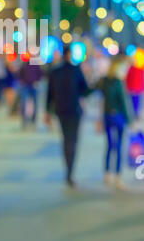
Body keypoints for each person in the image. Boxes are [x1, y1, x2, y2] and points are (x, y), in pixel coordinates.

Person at [46, 46, 89, 188]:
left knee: (66, 139)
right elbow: (85, 90)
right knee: (73, 140)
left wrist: (47, 111)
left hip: (61, 111)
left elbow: (49, 93)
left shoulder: (55, 71)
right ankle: (70, 171)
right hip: (74, 110)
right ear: (69, 54)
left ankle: (68, 169)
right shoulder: (75, 70)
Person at [97, 59, 132, 189]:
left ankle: (107, 173)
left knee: (109, 144)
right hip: (118, 117)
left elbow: (93, 91)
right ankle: (117, 176)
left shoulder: (104, 81)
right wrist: (130, 120)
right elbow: (123, 102)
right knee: (118, 146)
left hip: (107, 116)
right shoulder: (118, 82)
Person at [19, 61, 42, 128]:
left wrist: (37, 81)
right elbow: (20, 74)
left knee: (35, 104)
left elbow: (40, 74)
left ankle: (33, 120)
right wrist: (22, 81)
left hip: (34, 86)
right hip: (26, 86)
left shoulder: (36, 65)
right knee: (23, 103)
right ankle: (24, 120)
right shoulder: (24, 64)